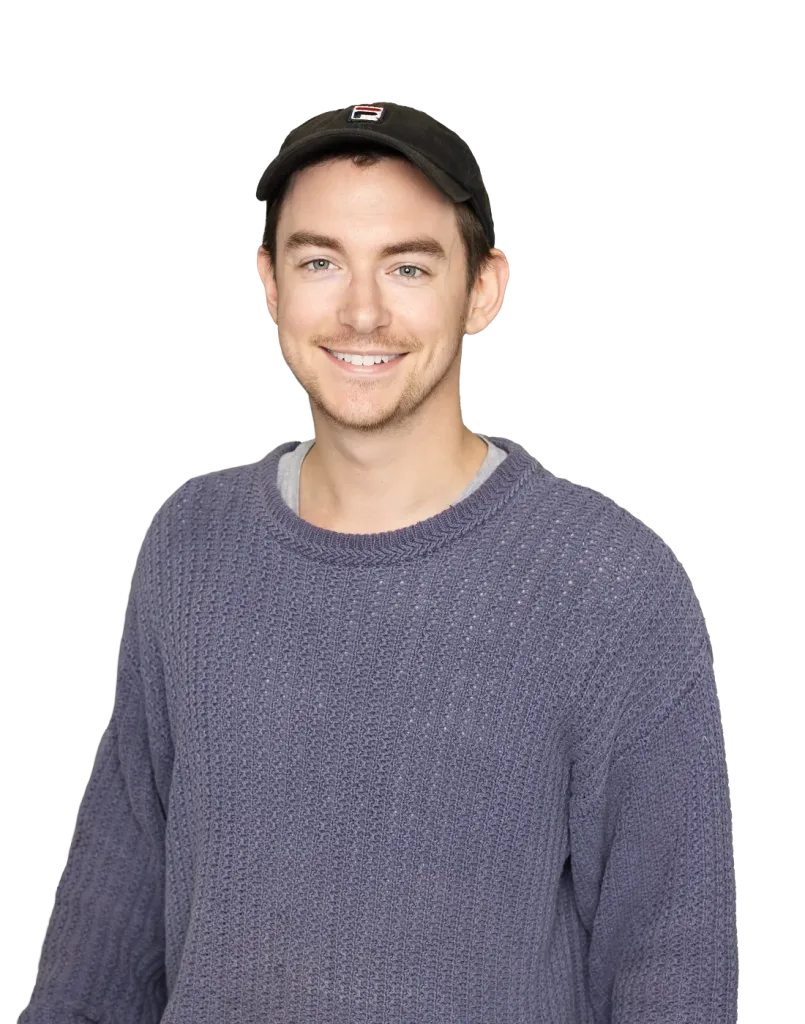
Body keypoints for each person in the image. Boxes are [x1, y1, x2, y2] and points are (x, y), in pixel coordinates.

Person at [22, 104, 738, 1023]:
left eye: (408, 266)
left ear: (484, 289)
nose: (361, 312)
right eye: (320, 262)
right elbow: (105, 937)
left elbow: (674, 966)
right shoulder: (189, 545)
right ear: (268, 282)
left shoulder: (608, 583)